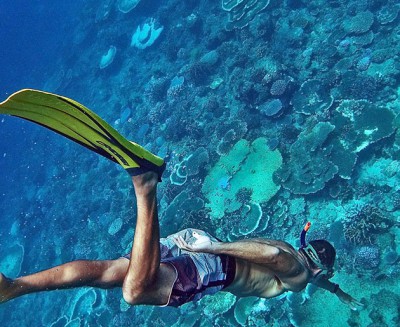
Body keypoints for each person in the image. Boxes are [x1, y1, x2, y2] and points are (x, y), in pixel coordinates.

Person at [0, 89, 361, 310]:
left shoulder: (300, 257)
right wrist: (212, 249)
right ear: (315, 266)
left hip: (197, 245)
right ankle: (145, 184)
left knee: (109, 272)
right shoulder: (298, 274)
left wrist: (338, 292)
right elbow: (273, 257)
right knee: (134, 292)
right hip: (212, 264)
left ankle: (15, 287)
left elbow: (286, 255)